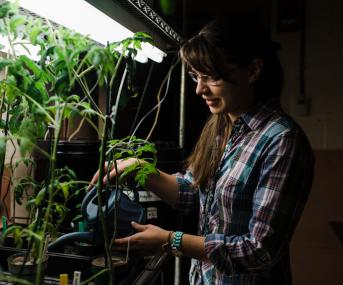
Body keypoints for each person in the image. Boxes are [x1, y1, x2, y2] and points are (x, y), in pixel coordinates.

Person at [90, 15, 314, 285]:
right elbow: (196, 193)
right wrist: (140, 168)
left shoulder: (282, 142)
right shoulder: (221, 126)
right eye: (196, 76)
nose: (199, 89)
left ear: (253, 71)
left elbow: (259, 250)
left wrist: (171, 240)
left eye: (210, 78)